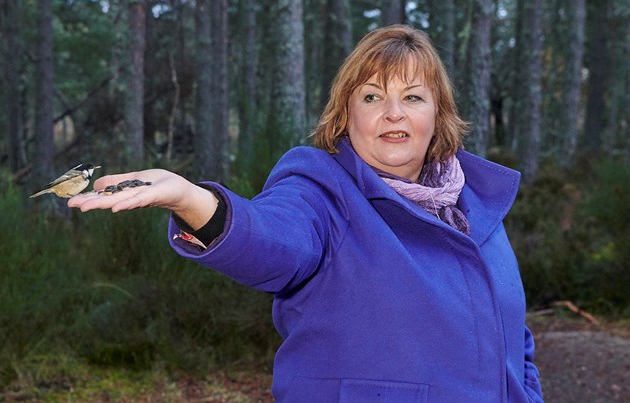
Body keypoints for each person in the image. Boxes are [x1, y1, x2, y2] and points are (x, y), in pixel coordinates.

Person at [69, 24, 544, 402]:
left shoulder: (474, 208)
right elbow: (273, 239)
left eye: (413, 97)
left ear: (438, 115)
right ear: (346, 115)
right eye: (372, 97)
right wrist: (193, 202)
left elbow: (513, 339)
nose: (394, 113)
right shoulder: (321, 190)